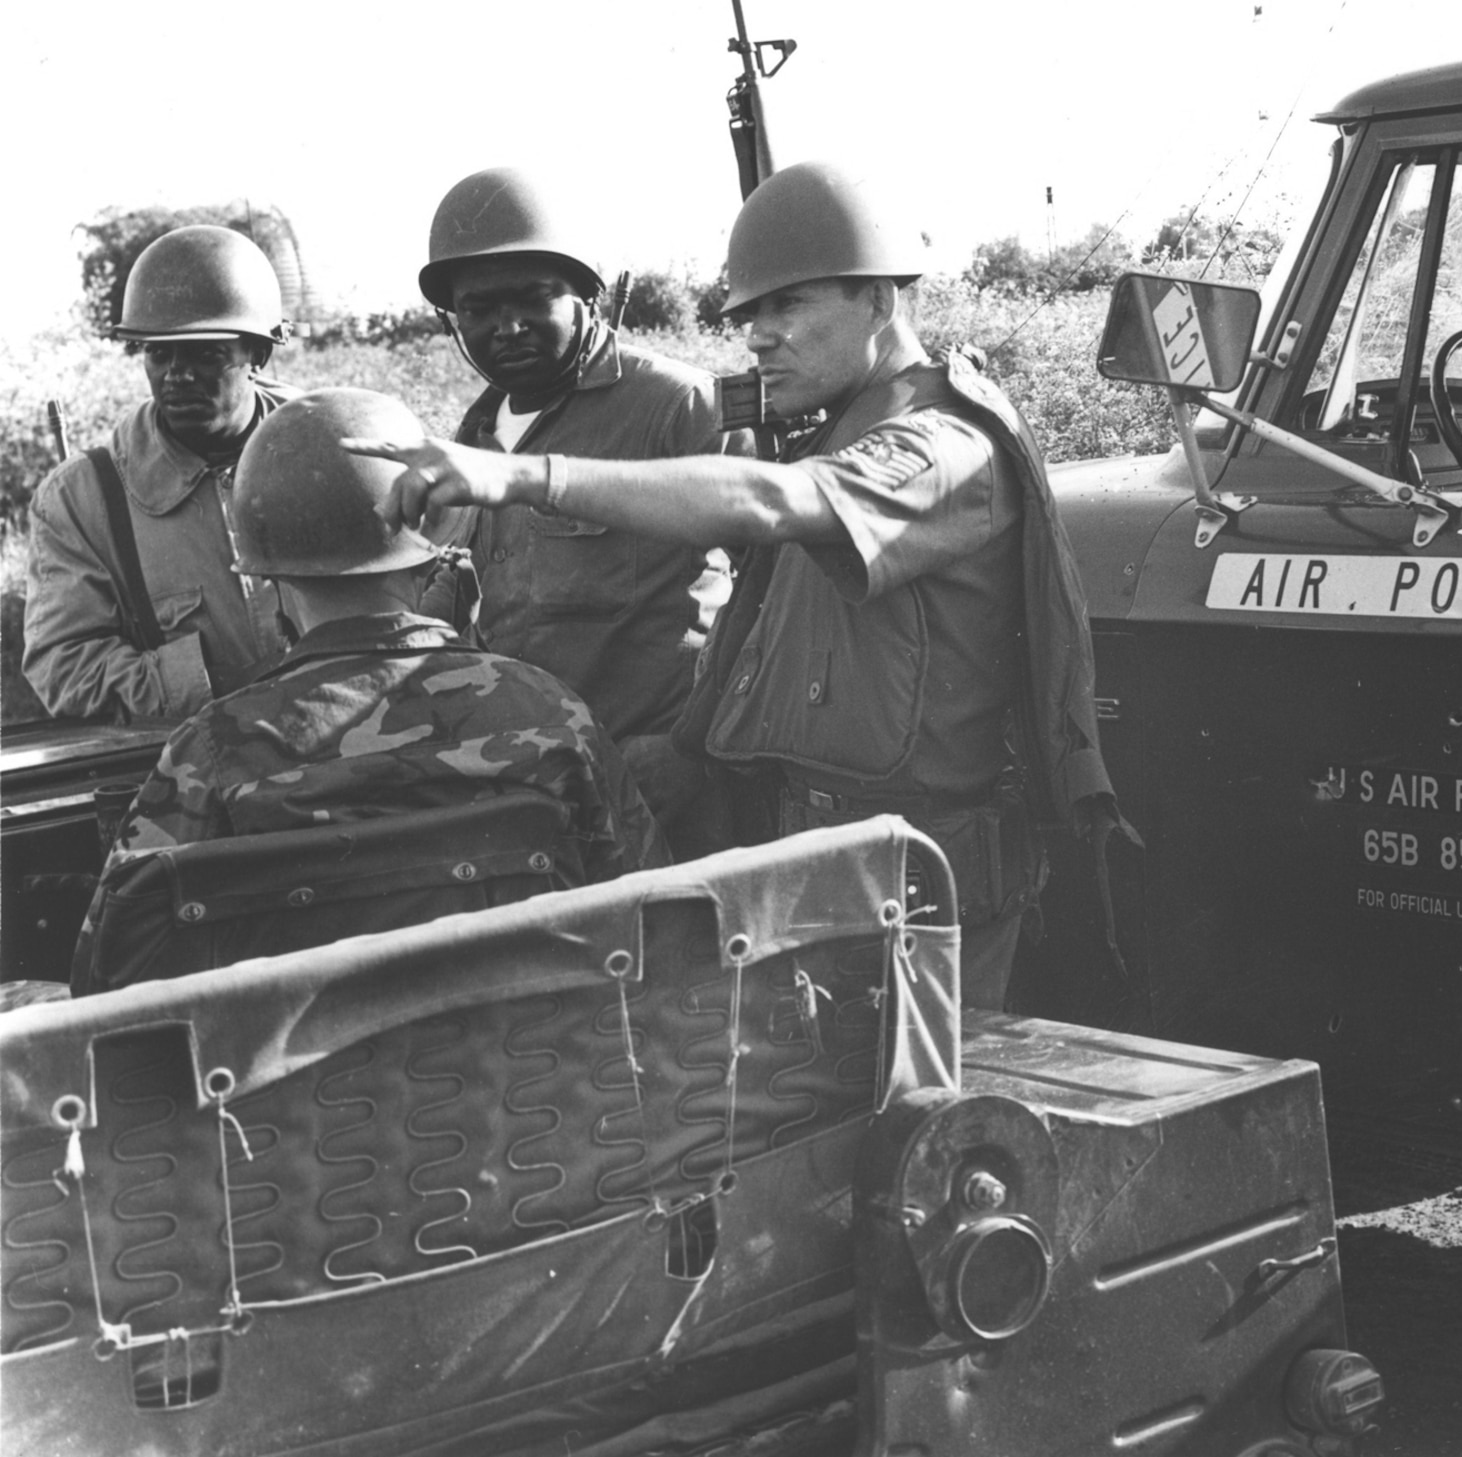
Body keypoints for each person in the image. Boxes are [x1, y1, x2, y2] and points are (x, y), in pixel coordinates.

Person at [351, 162, 1132, 1009]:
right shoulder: (840, 427)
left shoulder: (939, 444)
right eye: (750, 312)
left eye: (787, 305)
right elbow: (760, 611)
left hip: (923, 885)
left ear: (880, 300)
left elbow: (770, 504)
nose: (758, 334)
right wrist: (689, 746)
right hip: (823, 865)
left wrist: (527, 476)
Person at [76, 388, 663, 992]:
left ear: (268, 576)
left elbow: (108, 979)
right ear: (430, 558)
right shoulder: (550, 712)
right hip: (529, 1066)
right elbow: (655, 923)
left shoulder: (211, 753)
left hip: (309, 1082)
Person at [418, 167, 738, 854]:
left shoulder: (678, 408)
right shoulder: (471, 440)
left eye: (534, 298)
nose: (506, 325)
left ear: (586, 295)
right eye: (477, 308)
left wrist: (697, 742)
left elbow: (777, 583)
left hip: (665, 790)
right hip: (536, 789)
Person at [25, 225, 297, 722]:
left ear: (258, 354)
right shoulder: (82, 500)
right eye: (158, 352)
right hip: (197, 775)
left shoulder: (331, 448)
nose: (177, 374)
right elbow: (65, 669)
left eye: (206, 352)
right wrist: (218, 685)